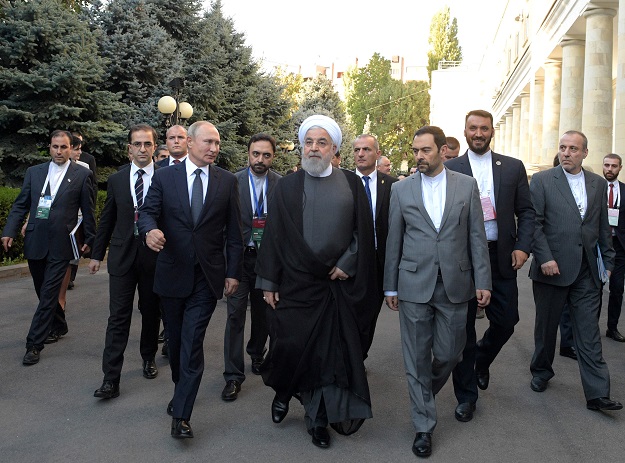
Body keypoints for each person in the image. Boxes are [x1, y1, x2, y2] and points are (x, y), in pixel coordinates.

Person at [255, 114, 377, 449]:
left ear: (334, 149)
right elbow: (274, 236)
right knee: (290, 346)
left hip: (334, 286)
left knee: (326, 356)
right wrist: (268, 281)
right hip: (294, 285)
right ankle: (283, 392)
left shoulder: (352, 184)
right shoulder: (287, 186)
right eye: (308, 142)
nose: (313, 148)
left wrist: (347, 262)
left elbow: (362, 233)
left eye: (321, 142)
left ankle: (317, 420)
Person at [384, 125, 491, 458]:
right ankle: (423, 427)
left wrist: (482, 280)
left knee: (450, 353)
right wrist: (390, 285)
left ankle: (422, 393)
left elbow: (477, 236)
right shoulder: (402, 191)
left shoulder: (466, 186)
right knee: (415, 359)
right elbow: (394, 241)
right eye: (415, 150)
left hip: (455, 285)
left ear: (443, 150)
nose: (418, 156)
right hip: (414, 284)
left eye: (425, 150)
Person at [138, 121, 243, 438]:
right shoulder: (165, 176)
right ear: (192, 143)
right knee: (175, 343)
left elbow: (235, 233)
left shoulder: (226, 182)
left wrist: (233, 271)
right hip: (171, 274)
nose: (214, 148)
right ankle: (180, 390)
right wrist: (150, 230)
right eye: (208, 142)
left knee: (192, 343)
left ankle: (182, 415)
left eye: (217, 143)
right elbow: (147, 212)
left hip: (206, 278)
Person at [446, 109, 535, 423]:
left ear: (492, 131)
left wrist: (524, 246)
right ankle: (466, 397)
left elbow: (527, 212)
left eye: (484, 128)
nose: (478, 133)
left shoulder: (511, 168)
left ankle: (481, 360)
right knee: (463, 330)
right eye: (473, 128)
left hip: (501, 257)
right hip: (463, 260)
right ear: (466, 130)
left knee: (507, 320)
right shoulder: (449, 168)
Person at [529, 130, 622, 412]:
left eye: (573, 149)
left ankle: (597, 394)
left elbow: (603, 228)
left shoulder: (595, 183)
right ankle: (541, 371)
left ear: (585, 153)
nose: (566, 153)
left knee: (588, 332)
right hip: (551, 270)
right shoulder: (543, 181)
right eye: (562, 148)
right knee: (546, 329)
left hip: (587, 273)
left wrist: (607, 263)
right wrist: (544, 257)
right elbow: (534, 224)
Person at [2, 130, 95, 365]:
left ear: (71, 148)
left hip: (62, 243)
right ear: (50, 147)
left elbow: (89, 210)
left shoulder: (82, 175)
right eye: (55, 147)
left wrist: (91, 240)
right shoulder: (35, 173)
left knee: (48, 294)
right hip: (35, 240)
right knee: (42, 290)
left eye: (64, 147)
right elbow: (21, 204)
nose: (59, 151)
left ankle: (34, 344)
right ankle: (59, 324)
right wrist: (9, 231)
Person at [89, 124, 162, 399]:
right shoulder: (118, 180)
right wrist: (97, 254)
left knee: (151, 311)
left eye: (147, 144)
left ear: (154, 147)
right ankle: (110, 378)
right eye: (137, 144)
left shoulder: (166, 178)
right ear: (129, 148)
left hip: (154, 258)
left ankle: (148, 356)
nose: (142, 149)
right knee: (117, 317)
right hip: (121, 258)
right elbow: (107, 218)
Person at [222, 134, 281, 402]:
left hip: (266, 262)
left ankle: (257, 354)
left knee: (263, 314)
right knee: (235, 316)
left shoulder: (281, 184)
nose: (260, 160)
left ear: (273, 157)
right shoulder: (231, 182)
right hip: (238, 259)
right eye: (256, 154)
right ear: (248, 154)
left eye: (266, 155)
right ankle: (233, 376)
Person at [352, 134, 398, 357]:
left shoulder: (392, 186)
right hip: (349, 263)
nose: (361, 154)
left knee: (370, 315)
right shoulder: (343, 182)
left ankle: (359, 356)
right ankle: (350, 360)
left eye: (366, 150)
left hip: (379, 263)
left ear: (377, 154)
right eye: (357, 150)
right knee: (350, 315)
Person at [602, 153, 625, 342]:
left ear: (620, 168)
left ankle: (612, 327)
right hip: (598, 246)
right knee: (594, 289)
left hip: (619, 247)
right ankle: (589, 329)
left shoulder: (624, 190)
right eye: (607, 165)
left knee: (617, 289)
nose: (610, 169)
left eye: (614, 166)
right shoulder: (594, 187)